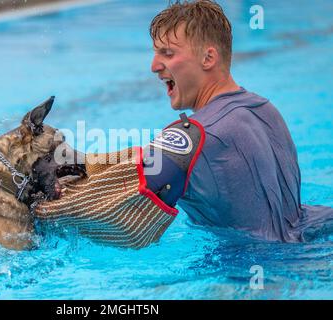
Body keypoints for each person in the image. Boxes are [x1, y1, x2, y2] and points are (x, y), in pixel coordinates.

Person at [35, 0, 333, 246]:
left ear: (208, 57)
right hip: (309, 239)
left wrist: (38, 211)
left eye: (168, 53)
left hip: (248, 274)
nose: (153, 66)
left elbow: (122, 223)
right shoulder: (264, 109)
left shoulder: (193, 136)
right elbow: (153, 158)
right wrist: (79, 163)